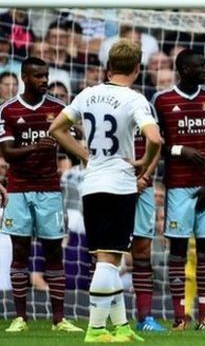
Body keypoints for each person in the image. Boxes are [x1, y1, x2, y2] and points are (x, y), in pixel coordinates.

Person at [49, 39, 161, 342]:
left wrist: (85, 156)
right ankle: (96, 329)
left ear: (109, 67)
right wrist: (142, 162)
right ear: (137, 69)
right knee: (109, 260)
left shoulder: (87, 94)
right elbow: (155, 139)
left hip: (92, 184)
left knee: (109, 259)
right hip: (119, 185)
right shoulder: (135, 100)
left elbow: (56, 129)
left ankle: (121, 326)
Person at [0, 57, 83, 333]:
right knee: (20, 251)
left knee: (53, 253)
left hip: (50, 189)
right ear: (25, 77)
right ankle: (20, 317)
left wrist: (78, 139)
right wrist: (38, 146)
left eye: (46, 75)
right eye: (38, 76)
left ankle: (59, 319)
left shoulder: (59, 110)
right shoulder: (8, 110)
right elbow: (7, 153)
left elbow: (74, 145)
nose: (45, 81)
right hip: (19, 189)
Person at [152, 49, 205, 331]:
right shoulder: (161, 100)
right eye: (200, 66)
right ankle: (180, 317)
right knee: (178, 252)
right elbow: (155, 144)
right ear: (184, 69)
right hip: (177, 188)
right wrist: (180, 149)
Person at [131, 104, 166, 332]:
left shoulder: (144, 107)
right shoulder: (97, 101)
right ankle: (101, 317)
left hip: (143, 187)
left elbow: (157, 143)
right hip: (110, 185)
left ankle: (145, 318)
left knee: (143, 251)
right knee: (105, 253)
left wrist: (145, 176)